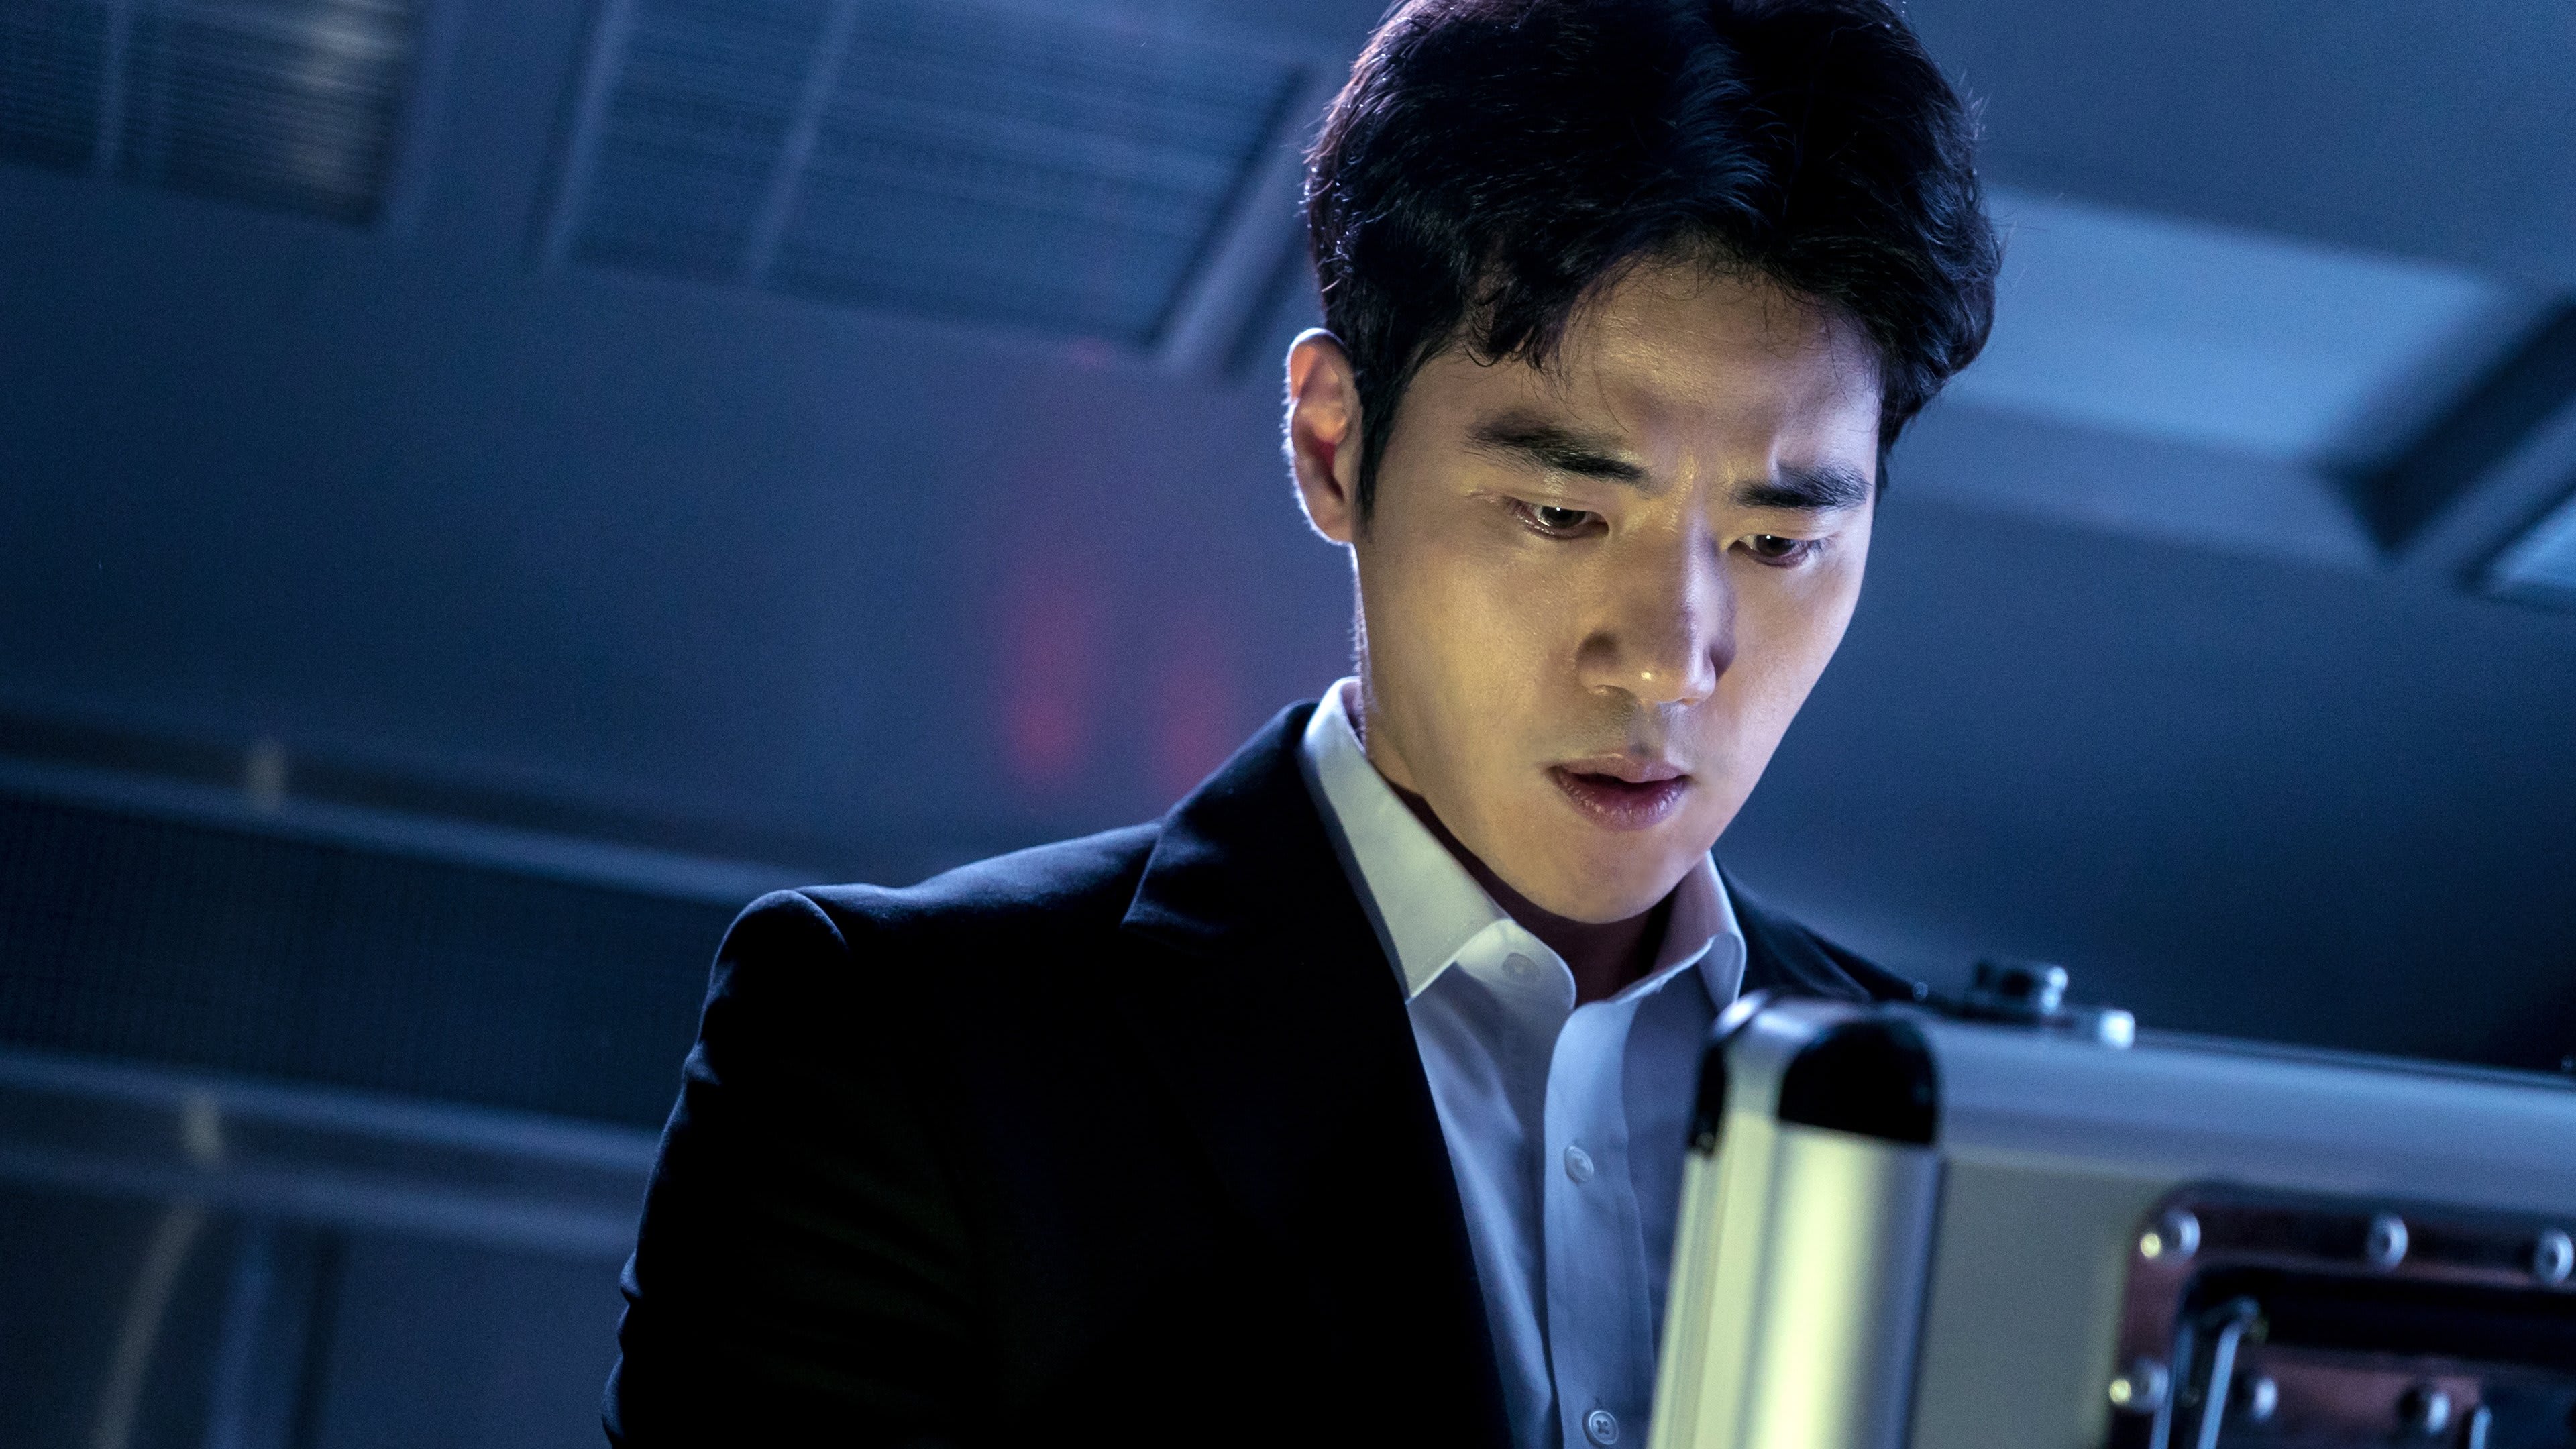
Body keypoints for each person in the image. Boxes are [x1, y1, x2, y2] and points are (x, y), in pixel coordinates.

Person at [602, 0, 1996, 1443]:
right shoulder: (904, 1056)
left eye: (1779, 545)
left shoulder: (1978, 1130)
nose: (1666, 663)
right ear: (1334, 445)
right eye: (1561, 512)